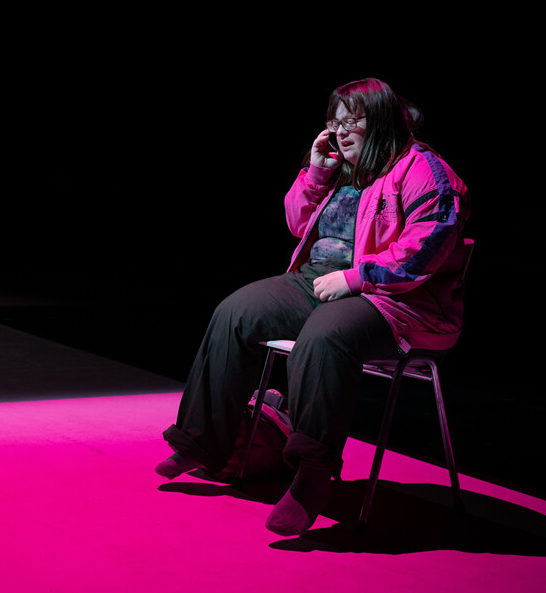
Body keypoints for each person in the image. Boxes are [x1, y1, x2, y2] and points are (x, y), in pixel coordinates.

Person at [156, 77, 471, 537]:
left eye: (351, 122)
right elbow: (297, 223)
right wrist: (317, 173)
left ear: (380, 122)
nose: (339, 133)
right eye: (334, 122)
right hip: (318, 280)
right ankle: (200, 441)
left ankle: (312, 472)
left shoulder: (424, 170)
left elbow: (425, 251)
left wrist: (356, 278)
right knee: (236, 312)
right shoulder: (343, 168)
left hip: (397, 299)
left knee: (327, 334)